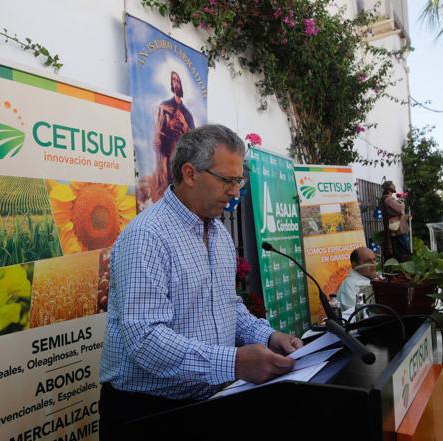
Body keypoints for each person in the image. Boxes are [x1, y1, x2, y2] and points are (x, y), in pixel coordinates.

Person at [99, 124, 302, 439]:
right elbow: (146, 340)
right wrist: (234, 362)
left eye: (239, 181)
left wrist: (268, 336)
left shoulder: (218, 233)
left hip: (207, 403)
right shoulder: (147, 236)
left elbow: (226, 305)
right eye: (228, 180)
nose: (236, 192)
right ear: (190, 174)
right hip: (148, 412)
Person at [151, 70, 195, 203]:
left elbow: (193, 137)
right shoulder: (165, 107)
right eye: (173, 80)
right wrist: (158, 138)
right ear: (171, 84)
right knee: (169, 178)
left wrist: (184, 124)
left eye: (177, 80)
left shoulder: (187, 113)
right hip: (168, 150)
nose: (176, 83)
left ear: (181, 84)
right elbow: (159, 130)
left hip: (182, 153)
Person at [336, 247, 378, 317]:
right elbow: (356, 316)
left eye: (374, 260)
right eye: (368, 261)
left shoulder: (378, 279)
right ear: (355, 264)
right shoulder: (349, 285)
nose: (373, 264)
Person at [381, 181, 410, 261]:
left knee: (404, 248)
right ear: (389, 188)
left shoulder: (389, 199)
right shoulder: (389, 200)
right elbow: (400, 209)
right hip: (399, 228)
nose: (394, 185)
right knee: (405, 248)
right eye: (392, 184)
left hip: (399, 226)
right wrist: (402, 201)